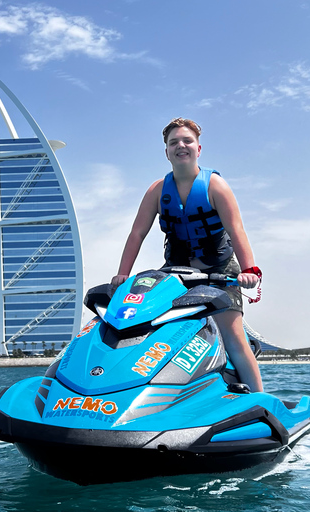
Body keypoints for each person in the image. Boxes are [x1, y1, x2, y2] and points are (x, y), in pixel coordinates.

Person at [111, 118, 264, 392]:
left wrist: (249, 270)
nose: (181, 146)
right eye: (174, 143)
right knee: (152, 326)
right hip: (175, 271)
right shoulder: (156, 191)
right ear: (166, 152)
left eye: (187, 141)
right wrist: (123, 274)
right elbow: (137, 233)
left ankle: (260, 400)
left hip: (219, 269)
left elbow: (236, 229)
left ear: (199, 148)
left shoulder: (215, 186)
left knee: (233, 337)